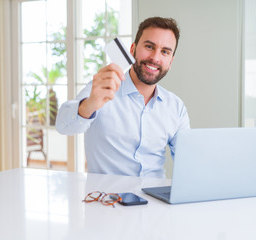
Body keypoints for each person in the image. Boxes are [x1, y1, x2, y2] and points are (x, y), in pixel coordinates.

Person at [56, 17, 190, 178]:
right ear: (132, 49)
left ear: (171, 61)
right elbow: (63, 126)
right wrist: (90, 104)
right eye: (149, 46)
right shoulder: (101, 89)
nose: (155, 58)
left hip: (156, 200)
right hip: (106, 200)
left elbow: (188, 162)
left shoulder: (176, 107)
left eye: (165, 52)